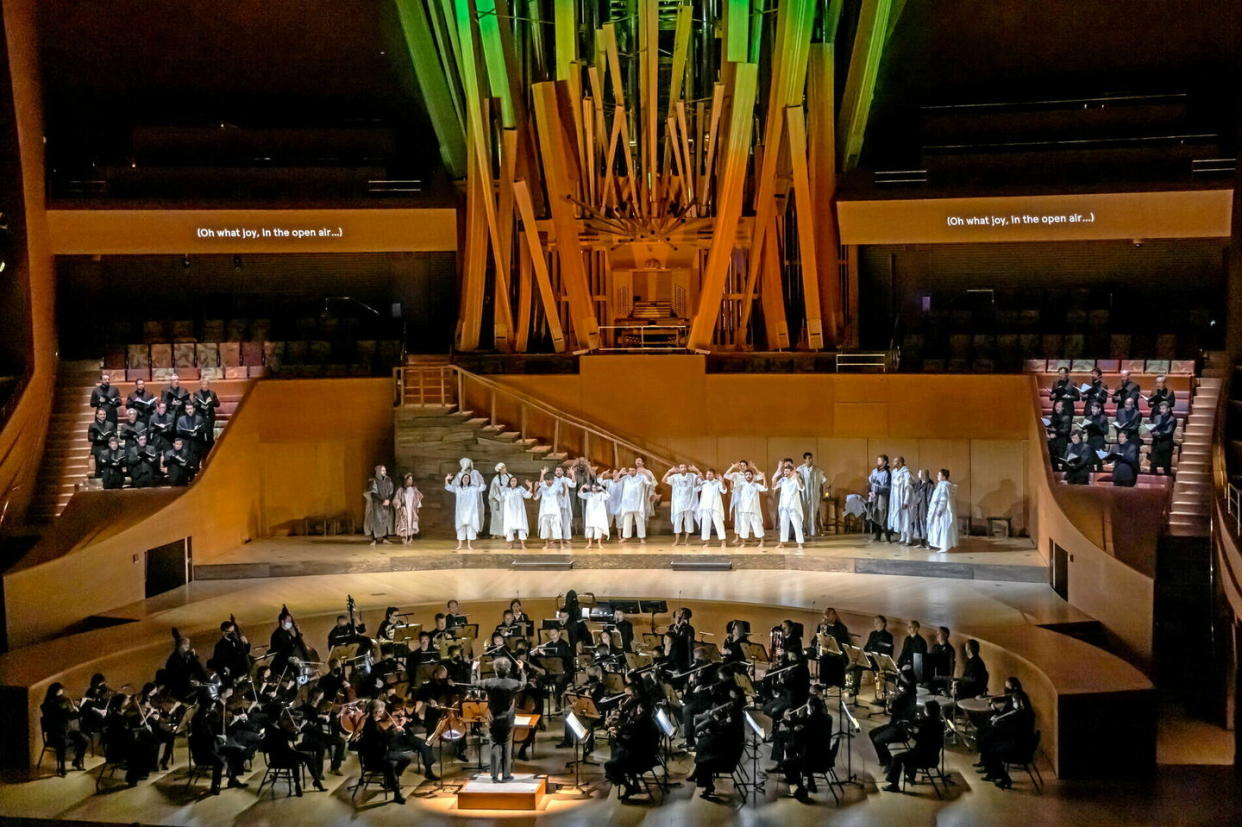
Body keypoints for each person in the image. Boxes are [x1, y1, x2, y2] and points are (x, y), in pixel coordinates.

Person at [978, 676, 1036, 789]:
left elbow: (1015, 714)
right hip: (1017, 738)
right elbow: (1008, 705)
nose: (1006, 689)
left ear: (1014, 687)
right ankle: (991, 771)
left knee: (991, 744)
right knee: (988, 738)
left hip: (1019, 744)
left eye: (1007, 686)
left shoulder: (1019, 700)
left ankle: (1002, 778)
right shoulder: (1018, 697)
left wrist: (999, 719)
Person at [473, 658, 525, 783]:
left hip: (493, 719)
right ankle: (506, 775)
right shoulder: (513, 683)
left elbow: (474, 682)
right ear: (508, 670)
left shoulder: (489, 682)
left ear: (495, 670)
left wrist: (474, 669)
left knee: (494, 745)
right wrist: (521, 669)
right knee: (507, 746)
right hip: (507, 720)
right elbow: (523, 683)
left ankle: (494, 776)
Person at [882, 699, 944, 792]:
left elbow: (918, 738)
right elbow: (921, 722)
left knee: (897, 757)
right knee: (911, 752)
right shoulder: (939, 723)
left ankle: (894, 785)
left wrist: (908, 730)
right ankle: (911, 776)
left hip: (924, 759)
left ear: (927, 711)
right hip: (933, 756)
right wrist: (910, 724)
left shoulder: (926, 726)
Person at [356, 699, 410, 804]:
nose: (384, 712)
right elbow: (382, 739)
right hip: (374, 757)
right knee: (390, 766)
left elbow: (382, 734)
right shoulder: (370, 724)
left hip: (381, 753)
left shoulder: (373, 722)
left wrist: (394, 730)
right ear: (377, 712)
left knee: (406, 759)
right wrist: (395, 732)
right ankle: (397, 794)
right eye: (382, 711)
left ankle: (392, 780)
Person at [869, 665, 918, 766]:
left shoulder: (906, 696)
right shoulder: (910, 692)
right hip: (896, 725)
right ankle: (885, 760)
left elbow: (893, 710)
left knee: (878, 739)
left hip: (900, 729)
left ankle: (888, 761)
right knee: (872, 733)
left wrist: (890, 702)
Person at [40, 683, 87, 775]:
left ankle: (77, 761)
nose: (61, 694)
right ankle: (62, 767)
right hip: (55, 732)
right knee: (62, 742)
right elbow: (51, 716)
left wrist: (76, 709)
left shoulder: (64, 700)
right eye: (59, 691)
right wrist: (64, 711)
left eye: (61, 692)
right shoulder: (47, 704)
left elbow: (71, 716)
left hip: (67, 730)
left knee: (85, 739)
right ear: (54, 692)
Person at [444, 469, 486, 551]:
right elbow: (448, 487)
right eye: (464, 478)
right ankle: (460, 545)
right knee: (461, 528)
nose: (466, 479)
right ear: (462, 480)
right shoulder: (458, 488)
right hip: (461, 512)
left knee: (470, 527)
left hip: (471, 512)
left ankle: (469, 545)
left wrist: (481, 479)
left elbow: (482, 488)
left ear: (469, 480)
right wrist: (446, 479)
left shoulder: (473, 488)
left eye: (467, 478)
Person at [662, 463, 700, 545]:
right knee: (677, 522)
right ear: (679, 469)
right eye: (681, 467)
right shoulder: (675, 477)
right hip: (678, 504)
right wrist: (669, 471)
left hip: (689, 504)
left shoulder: (692, 475)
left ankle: (687, 540)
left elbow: (702, 480)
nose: (683, 468)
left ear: (686, 468)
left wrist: (697, 470)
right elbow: (663, 480)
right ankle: (677, 540)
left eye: (684, 467)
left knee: (689, 522)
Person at [731, 469, 767, 548]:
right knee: (744, 527)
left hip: (754, 509)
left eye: (749, 474)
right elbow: (733, 489)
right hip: (744, 509)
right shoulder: (741, 485)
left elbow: (765, 488)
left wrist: (764, 478)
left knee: (757, 526)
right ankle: (743, 543)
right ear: (744, 476)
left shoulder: (756, 485)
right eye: (746, 475)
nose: (748, 476)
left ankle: (762, 541)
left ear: (752, 476)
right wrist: (732, 480)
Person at [773, 465, 806, 550]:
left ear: (791, 472)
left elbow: (802, 488)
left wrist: (798, 478)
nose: (785, 473)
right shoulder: (783, 480)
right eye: (785, 471)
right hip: (784, 506)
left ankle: (800, 543)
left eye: (787, 471)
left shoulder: (795, 479)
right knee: (783, 525)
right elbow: (774, 486)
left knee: (797, 524)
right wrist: (775, 476)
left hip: (793, 506)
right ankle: (782, 543)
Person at [816, 608, 850, 688]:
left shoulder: (841, 627)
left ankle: (837, 683)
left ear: (834, 615)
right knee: (824, 659)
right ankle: (826, 683)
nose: (826, 617)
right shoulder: (822, 626)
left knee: (833, 660)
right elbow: (817, 638)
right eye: (825, 615)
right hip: (826, 653)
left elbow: (844, 642)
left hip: (838, 654)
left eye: (829, 615)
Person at [926, 469, 959, 553]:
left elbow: (943, 499)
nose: (937, 476)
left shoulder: (944, 485)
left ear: (944, 476)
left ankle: (944, 546)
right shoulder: (944, 485)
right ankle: (942, 545)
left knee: (943, 528)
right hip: (942, 511)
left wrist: (939, 509)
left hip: (943, 512)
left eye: (939, 474)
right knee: (941, 528)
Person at [212, 619, 251, 688]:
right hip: (233, 674)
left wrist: (246, 643)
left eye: (233, 631)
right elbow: (217, 662)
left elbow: (245, 652)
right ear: (223, 632)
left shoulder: (235, 640)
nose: (233, 633)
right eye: (230, 632)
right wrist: (227, 669)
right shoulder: (219, 646)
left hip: (242, 671)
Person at [797, 452, 829, 537]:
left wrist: (824, 493)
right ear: (805, 459)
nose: (810, 460)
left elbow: (824, 482)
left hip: (814, 495)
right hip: (803, 495)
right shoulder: (800, 469)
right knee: (803, 513)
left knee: (813, 513)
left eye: (811, 458)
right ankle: (804, 530)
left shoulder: (817, 470)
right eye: (808, 458)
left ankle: (813, 530)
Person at [534, 471, 567, 549]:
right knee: (545, 528)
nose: (549, 481)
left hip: (554, 511)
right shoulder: (542, 488)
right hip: (545, 511)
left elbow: (563, 496)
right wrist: (535, 489)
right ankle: (546, 544)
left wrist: (565, 488)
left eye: (551, 480)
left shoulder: (556, 487)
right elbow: (536, 497)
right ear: (545, 480)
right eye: (547, 480)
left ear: (553, 480)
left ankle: (561, 544)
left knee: (557, 528)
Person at [364, 465, 396, 546]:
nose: (384, 472)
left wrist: (388, 499)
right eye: (382, 470)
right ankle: (374, 539)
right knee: (376, 521)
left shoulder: (388, 480)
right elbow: (373, 493)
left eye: (385, 470)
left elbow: (391, 491)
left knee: (386, 521)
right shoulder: (374, 481)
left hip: (386, 505)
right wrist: (382, 500)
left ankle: (385, 538)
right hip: (377, 505)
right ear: (378, 471)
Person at [618, 466, 650, 544]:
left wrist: (645, 472)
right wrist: (620, 472)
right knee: (627, 521)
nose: (631, 472)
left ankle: (642, 537)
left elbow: (649, 482)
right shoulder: (626, 477)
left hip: (637, 503)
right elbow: (615, 480)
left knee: (640, 521)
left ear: (636, 471)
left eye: (633, 470)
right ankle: (626, 537)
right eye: (630, 470)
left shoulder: (641, 477)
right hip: (627, 503)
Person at [501, 477, 533, 548]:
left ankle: (523, 545)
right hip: (509, 512)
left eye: (514, 481)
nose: (513, 482)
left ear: (517, 482)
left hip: (519, 512)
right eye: (512, 481)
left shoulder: (520, 489)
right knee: (509, 527)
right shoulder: (506, 490)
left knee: (521, 526)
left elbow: (527, 496)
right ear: (509, 482)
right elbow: (501, 498)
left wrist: (530, 487)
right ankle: (510, 544)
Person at [175, 399, 206, 472]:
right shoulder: (181, 419)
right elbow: (178, 431)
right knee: (185, 448)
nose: (189, 411)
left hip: (196, 441)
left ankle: (195, 469)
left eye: (191, 409)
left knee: (195, 448)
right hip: (185, 440)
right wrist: (187, 433)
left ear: (194, 409)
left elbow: (203, 430)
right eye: (187, 409)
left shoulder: (199, 418)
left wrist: (197, 433)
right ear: (185, 410)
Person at [578, 480, 611, 549]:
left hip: (598, 514)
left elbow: (608, 496)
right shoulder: (589, 494)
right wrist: (582, 487)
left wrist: (602, 489)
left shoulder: (601, 494)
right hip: (590, 514)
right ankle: (590, 543)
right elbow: (579, 494)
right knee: (590, 528)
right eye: (592, 487)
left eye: (595, 487)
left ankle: (599, 544)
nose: (594, 489)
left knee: (598, 528)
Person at [1148, 400, 1176, 475]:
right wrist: (1152, 431)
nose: (1161, 410)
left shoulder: (1172, 419)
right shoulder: (1157, 417)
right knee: (1153, 464)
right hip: (1156, 443)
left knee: (1166, 466)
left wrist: (1159, 433)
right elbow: (1153, 427)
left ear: (1168, 409)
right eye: (1160, 409)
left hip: (1166, 444)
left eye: (1163, 409)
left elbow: (1169, 431)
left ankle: (1167, 483)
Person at [888, 456, 912, 543]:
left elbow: (908, 487)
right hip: (895, 499)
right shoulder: (894, 472)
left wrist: (906, 501)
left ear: (900, 463)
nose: (894, 463)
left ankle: (908, 538)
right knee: (899, 518)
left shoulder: (906, 472)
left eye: (895, 462)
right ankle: (902, 537)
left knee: (906, 518)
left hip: (903, 499)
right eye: (893, 461)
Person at [867, 455, 892, 542]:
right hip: (874, 496)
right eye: (877, 460)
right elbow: (870, 482)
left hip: (882, 497)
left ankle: (888, 537)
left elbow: (887, 487)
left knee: (883, 515)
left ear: (885, 462)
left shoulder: (887, 473)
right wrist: (870, 491)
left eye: (880, 460)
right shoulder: (874, 471)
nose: (878, 462)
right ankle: (878, 536)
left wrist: (877, 491)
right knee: (875, 514)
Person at [393, 473, 423, 543]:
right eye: (409, 479)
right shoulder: (401, 490)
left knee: (412, 523)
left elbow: (417, 499)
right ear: (405, 480)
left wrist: (417, 508)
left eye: (411, 480)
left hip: (412, 509)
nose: (410, 481)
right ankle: (403, 537)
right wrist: (399, 504)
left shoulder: (414, 490)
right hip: (404, 509)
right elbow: (396, 499)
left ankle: (411, 537)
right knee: (404, 522)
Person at [88, 407, 116, 479]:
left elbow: (114, 435)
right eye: (100, 414)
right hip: (98, 447)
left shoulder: (110, 424)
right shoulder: (92, 425)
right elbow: (90, 438)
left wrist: (110, 437)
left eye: (104, 414)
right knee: (99, 467)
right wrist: (98, 438)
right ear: (97, 415)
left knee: (109, 465)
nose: (103, 416)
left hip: (108, 446)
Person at [193, 377, 220, 451]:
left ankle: (210, 450)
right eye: (203, 384)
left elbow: (218, 404)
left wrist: (212, 402)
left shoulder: (212, 393)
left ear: (208, 385)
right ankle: (201, 450)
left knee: (209, 434)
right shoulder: (196, 393)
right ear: (201, 384)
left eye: (206, 384)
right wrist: (201, 405)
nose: (204, 386)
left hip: (210, 416)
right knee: (201, 433)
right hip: (200, 416)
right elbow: (194, 404)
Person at [907, 469, 932, 547]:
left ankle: (929, 543)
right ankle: (922, 542)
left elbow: (929, 497)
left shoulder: (930, 484)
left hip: (925, 507)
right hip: (918, 506)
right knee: (918, 522)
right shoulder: (919, 483)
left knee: (925, 523)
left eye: (919, 472)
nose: (918, 473)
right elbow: (915, 491)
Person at [1046, 399, 1073, 470]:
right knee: (1053, 460)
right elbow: (1050, 427)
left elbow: (1066, 431)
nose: (1057, 408)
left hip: (1061, 442)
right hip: (1053, 442)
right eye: (1056, 406)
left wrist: (1056, 432)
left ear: (1063, 408)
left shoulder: (1066, 417)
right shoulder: (1053, 417)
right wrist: (1048, 433)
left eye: (1059, 407)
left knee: (1061, 460)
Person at [1083, 399, 1110, 471]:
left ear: (1099, 409)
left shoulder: (1103, 418)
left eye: (1095, 409)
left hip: (1099, 442)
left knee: (1099, 462)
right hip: (1090, 441)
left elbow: (1106, 431)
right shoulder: (1088, 418)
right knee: (1090, 462)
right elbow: (1084, 428)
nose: (1093, 410)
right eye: (1092, 408)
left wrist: (1097, 427)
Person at [488, 463, 513, 539]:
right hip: (498, 500)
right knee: (497, 517)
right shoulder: (496, 479)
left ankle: (506, 532)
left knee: (506, 516)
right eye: (503, 468)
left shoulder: (510, 476)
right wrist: (499, 498)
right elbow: (493, 491)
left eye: (505, 467)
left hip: (508, 500)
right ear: (500, 470)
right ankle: (496, 533)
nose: (505, 469)